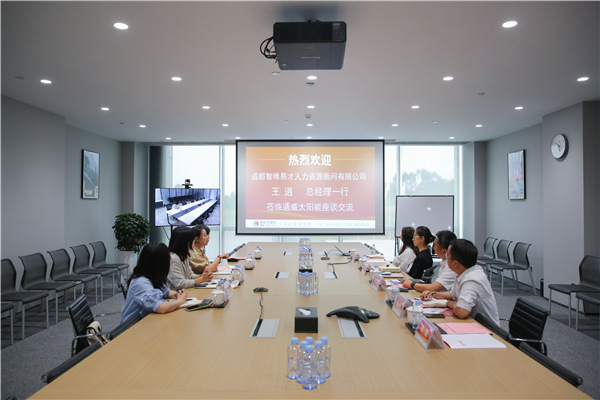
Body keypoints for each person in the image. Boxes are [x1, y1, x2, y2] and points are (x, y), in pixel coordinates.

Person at [423, 239, 500, 326]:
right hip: (472, 322)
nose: (446, 258)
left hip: (486, 328)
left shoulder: (472, 279)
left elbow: (462, 312)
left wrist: (453, 305)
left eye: (448, 255)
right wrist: (434, 294)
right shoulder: (463, 272)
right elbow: (453, 295)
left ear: (456, 263)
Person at [120, 243, 188, 324]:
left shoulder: (154, 277)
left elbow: (166, 292)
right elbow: (160, 308)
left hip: (147, 321)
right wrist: (180, 300)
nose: (170, 259)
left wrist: (177, 294)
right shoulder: (140, 282)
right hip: (132, 326)